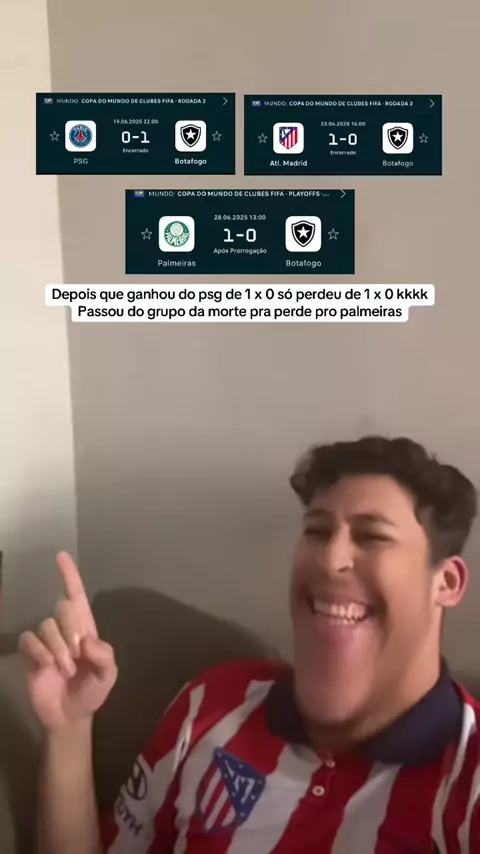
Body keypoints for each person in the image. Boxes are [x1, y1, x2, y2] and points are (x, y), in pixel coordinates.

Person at [19, 435, 480, 854]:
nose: (331, 559)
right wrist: (70, 727)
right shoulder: (214, 702)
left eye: (372, 537)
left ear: (447, 582)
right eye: (317, 531)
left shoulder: (467, 780)